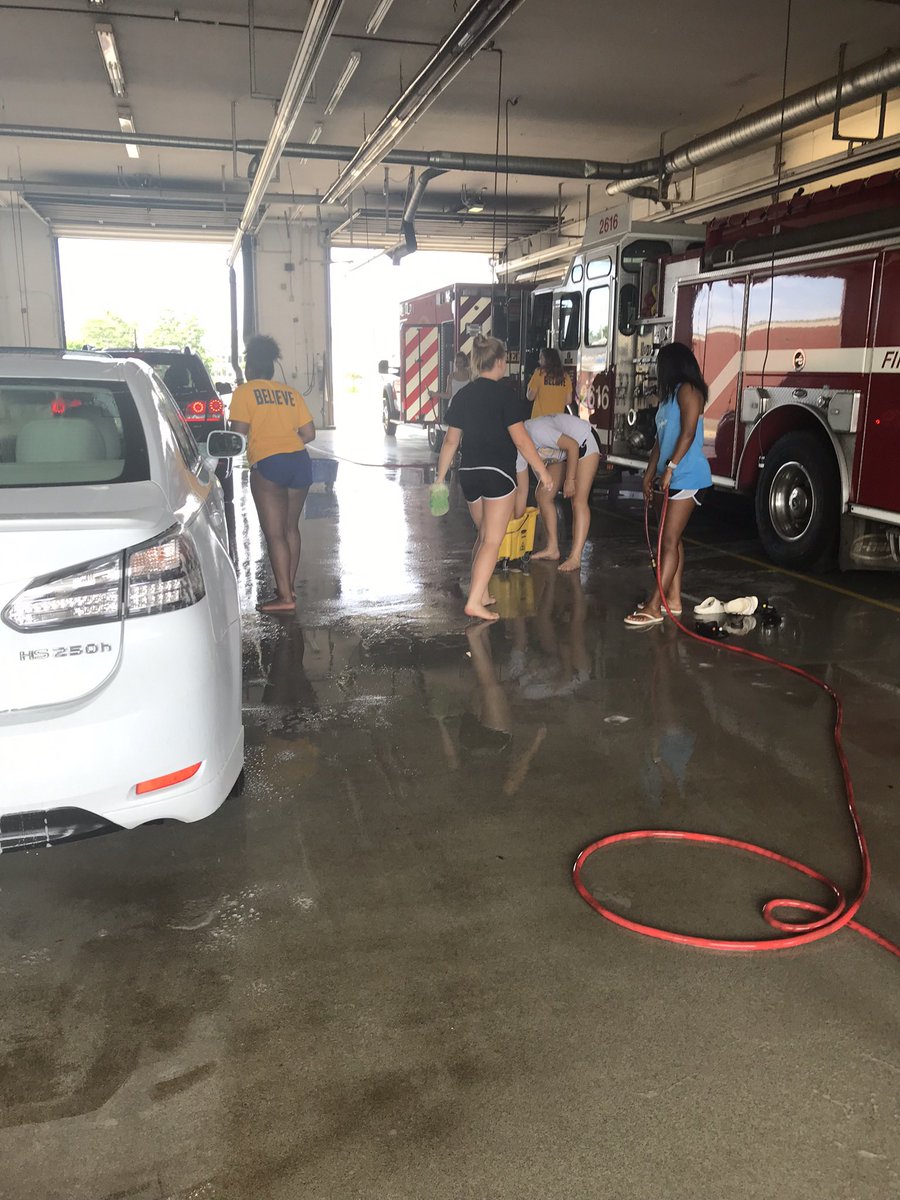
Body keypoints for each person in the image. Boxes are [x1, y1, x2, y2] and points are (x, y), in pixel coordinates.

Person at [434, 334, 554, 623]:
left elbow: (450, 442)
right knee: (492, 541)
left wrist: (439, 479)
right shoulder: (505, 395)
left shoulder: (464, 395)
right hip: (498, 474)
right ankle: (475, 602)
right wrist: (543, 471)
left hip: (469, 474)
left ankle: (482, 591)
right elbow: (522, 440)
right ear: (499, 362)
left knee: (484, 535)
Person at [624, 341, 713, 627]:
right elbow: (660, 443)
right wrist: (649, 473)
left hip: (688, 475)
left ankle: (654, 605)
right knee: (672, 540)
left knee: (669, 541)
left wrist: (671, 468)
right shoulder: (668, 398)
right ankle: (672, 600)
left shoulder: (690, 391)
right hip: (670, 476)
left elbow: (687, 433)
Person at [229, 334, 316, 615]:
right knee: (291, 529)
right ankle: (287, 588)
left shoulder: (244, 392)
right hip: (300, 462)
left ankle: (285, 597)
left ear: (250, 368)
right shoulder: (290, 393)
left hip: (269, 464)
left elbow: (237, 435)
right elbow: (309, 433)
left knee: (275, 534)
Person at [513, 412, 603, 571]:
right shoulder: (519, 448)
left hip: (583, 443)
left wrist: (570, 479)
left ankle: (575, 557)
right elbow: (522, 490)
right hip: (563, 454)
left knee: (578, 500)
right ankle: (552, 548)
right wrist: (514, 523)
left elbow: (573, 446)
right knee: (542, 495)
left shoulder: (538, 430)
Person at [526, 348, 572, 417]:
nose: (539, 361)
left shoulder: (539, 374)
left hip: (539, 420)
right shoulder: (565, 376)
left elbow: (530, 397)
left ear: (547, 360)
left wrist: (528, 386)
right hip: (557, 420)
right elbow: (568, 401)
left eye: (541, 358)